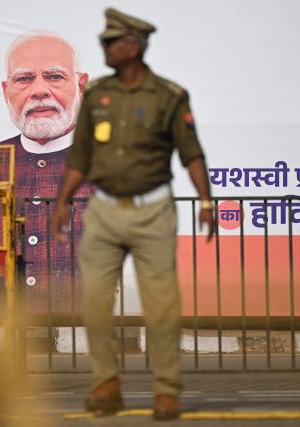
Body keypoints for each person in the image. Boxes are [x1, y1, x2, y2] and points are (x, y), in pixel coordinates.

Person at [52, 8, 215, 421]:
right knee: (94, 302)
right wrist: (62, 202)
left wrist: (207, 201)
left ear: (135, 46)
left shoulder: (168, 96)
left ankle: (166, 391)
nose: (104, 48)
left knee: (161, 305)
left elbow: (191, 152)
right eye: (103, 42)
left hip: (153, 211)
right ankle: (106, 385)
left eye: (112, 42)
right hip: (104, 211)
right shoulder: (97, 96)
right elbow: (80, 156)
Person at [0, 32, 94, 313]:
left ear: (82, 86)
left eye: (55, 77)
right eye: (24, 79)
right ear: (5, 91)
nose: (39, 91)